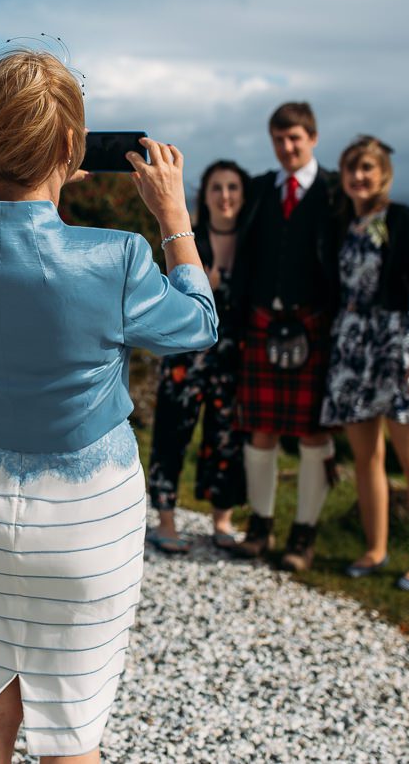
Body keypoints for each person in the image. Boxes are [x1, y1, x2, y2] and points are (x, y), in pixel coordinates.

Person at [0, 49, 217, 764]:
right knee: (69, 731)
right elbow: (198, 323)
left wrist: (19, 178)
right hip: (87, 517)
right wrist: (173, 216)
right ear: (72, 148)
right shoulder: (118, 259)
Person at [321, 135, 409, 590]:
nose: (359, 177)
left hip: (395, 345)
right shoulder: (343, 224)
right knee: (366, 456)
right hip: (351, 347)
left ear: (383, 173)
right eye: (352, 168)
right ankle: (375, 548)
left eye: (367, 168)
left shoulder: (403, 220)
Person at [231, 101, 343, 572]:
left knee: (314, 433)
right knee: (261, 429)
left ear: (313, 137)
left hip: (314, 324)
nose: (286, 147)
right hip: (261, 321)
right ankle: (260, 525)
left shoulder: (336, 190)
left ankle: (304, 534)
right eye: (279, 139)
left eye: (295, 138)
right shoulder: (259, 189)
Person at [146, 160, 250, 554]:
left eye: (233, 188)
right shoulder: (189, 238)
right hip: (186, 355)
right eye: (217, 188)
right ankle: (166, 520)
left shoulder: (252, 241)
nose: (225, 196)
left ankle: (222, 518)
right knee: (172, 435)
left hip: (233, 358)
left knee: (226, 437)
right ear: (204, 197)